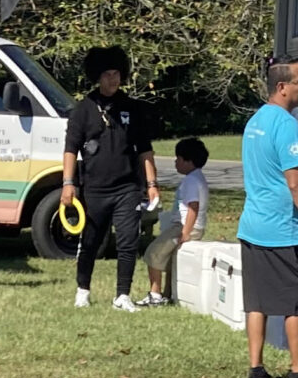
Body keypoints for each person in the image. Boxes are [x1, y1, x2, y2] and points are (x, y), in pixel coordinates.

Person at [239, 58, 298, 378]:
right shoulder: (286, 126)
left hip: (253, 226)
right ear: (282, 88)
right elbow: (296, 183)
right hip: (283, 230)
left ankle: (256, 368)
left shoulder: (255, 122)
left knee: (257, 301)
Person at [62, 46, 157, 311]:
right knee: (91, 241)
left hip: (127, 187)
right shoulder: (83, 109)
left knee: (128, 240)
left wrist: (151, 184)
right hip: (94, 189)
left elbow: (145, 149)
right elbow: (71, 149)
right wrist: (68, 184)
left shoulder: (132, 107)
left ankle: (122, 295)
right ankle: (83, 290)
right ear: (97, 76)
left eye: (116, 73)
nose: (112, 79)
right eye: (107, 74)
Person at [144, 136, 207, 307]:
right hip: (190, 226)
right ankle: (168, 293)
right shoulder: (197, 178)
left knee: (153, 252)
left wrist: (185, 232)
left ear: (189, 161)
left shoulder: (191, 181)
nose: (175, 162)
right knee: (171, 259)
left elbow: (193, 206)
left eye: (178, 159)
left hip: (185, 227)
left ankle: (155, 293)